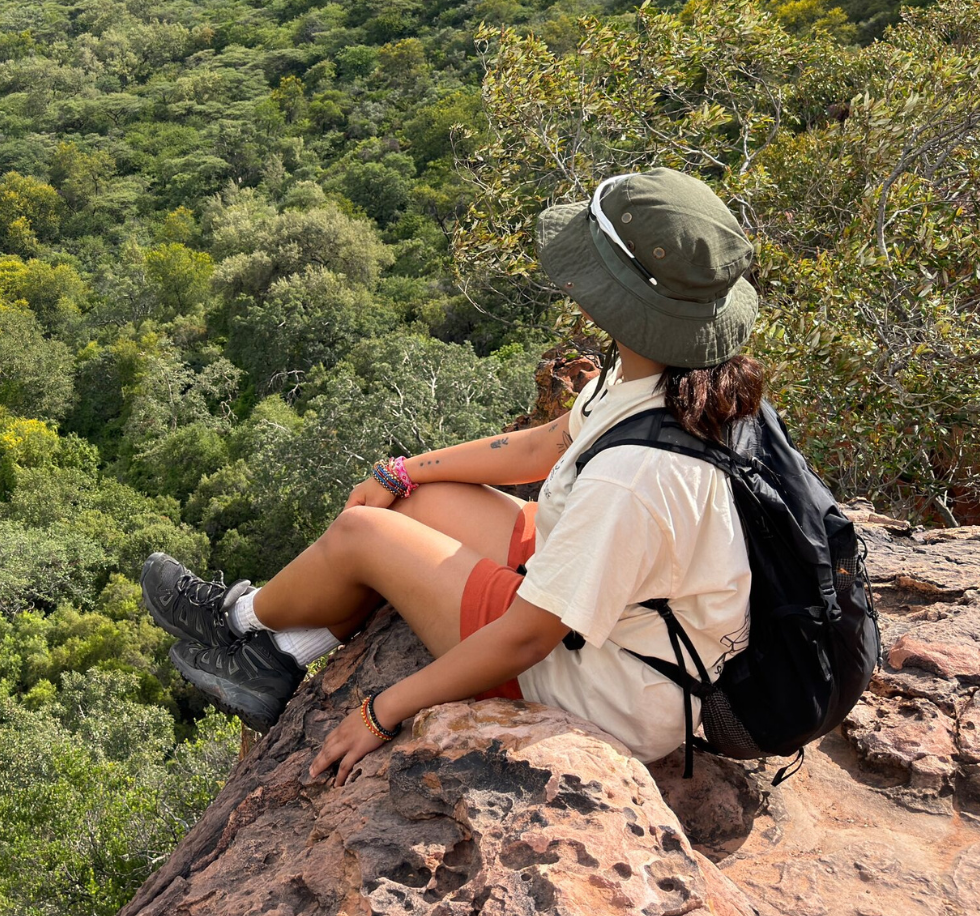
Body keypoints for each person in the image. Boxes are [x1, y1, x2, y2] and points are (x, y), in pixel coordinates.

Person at [141, 166, 763, 786]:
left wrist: (381, 713)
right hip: (609, 604)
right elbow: (545, 446)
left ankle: (238, 620)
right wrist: (402, 470)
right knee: (414, 501)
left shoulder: (635, 478)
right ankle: (276, 659)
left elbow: (527, 639)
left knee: (362, 533)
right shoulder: (667, 376)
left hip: (600, 684)